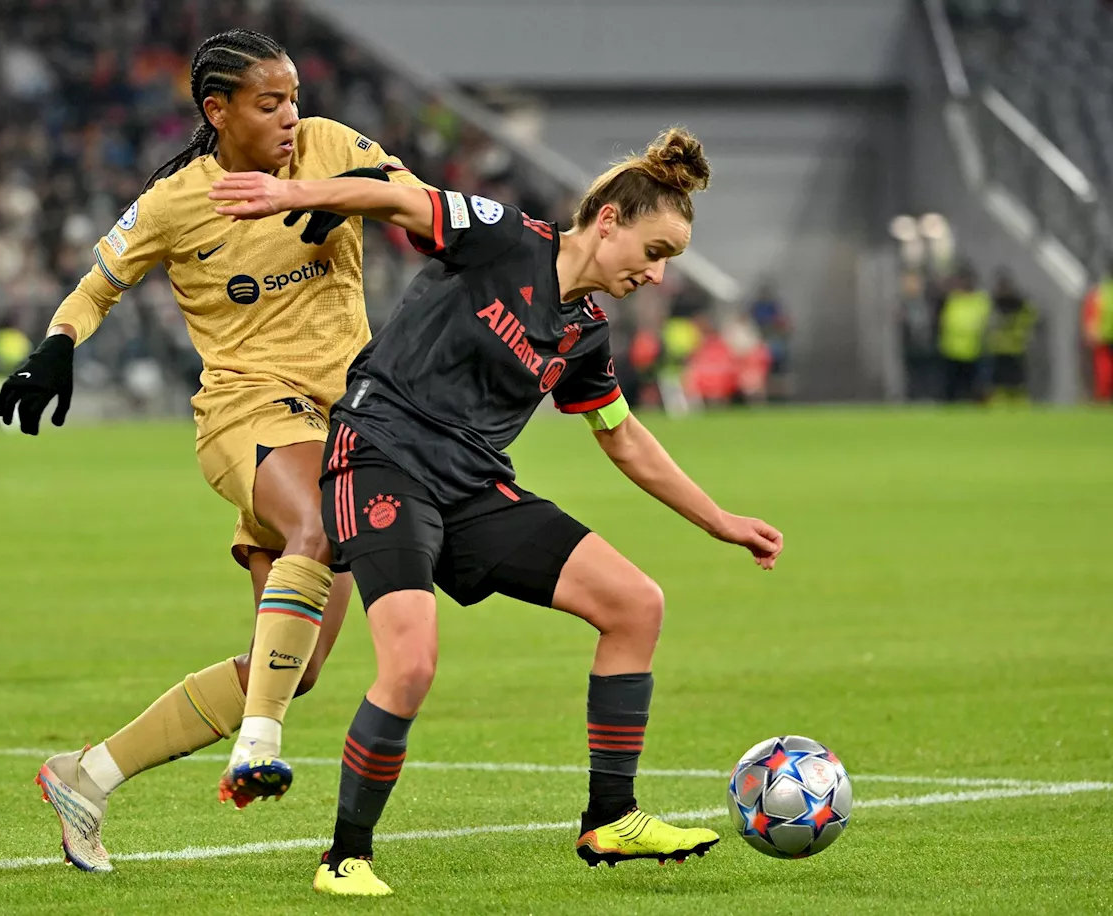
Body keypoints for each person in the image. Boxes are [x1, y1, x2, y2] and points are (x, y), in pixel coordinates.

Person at [211, 127, 784, 896]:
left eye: (667, 261)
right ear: (608, 219)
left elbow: (625, 441)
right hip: (381, 455)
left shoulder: (584, 331)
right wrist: (292, 192)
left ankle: (610, 816)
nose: (656, 274)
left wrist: (720, 520)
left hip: (471, 485)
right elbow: (397, 198)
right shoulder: (504, 238)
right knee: (410, 664)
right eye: (654, 252)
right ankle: (345, 856)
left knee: (634, 605)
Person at [0, 28, 427, 873]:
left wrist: (345, 193)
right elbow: (97, 285)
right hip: (245, 415)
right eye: (271, 104)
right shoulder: (175, 201)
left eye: (295, 97)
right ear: (216, 110)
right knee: (325, 529)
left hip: (346, 421)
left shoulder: (331, 145)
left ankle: (87, 774)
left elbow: (416, 199)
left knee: (293, 669)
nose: (291, 117)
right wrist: (57, 344)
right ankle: (255, 745)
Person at [937, 265, 992, 403]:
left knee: (976, 388)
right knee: (951, 388)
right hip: (952, 350)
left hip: (976, 350)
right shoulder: (952, 299)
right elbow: (946, 321)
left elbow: (986, 322)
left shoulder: (981, 299)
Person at [985, 269, 1037, 404]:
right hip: (999, 350)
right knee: (999, 384)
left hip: (1015, 350)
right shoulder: (994, 304)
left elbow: (1029, 320)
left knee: (1017, 384)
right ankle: (1000, 407)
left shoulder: (1019, 305)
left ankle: (1018, 406)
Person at [1081, 257, 1113, 402]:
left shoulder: (1100, 291)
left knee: (1104, 375)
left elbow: (1090, 312)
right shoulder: (1101, 291)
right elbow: (1090, 312)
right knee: (1104, 375)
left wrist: (1090, 330)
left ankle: (1103, 402)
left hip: (1103, 338)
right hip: (1103, 340)